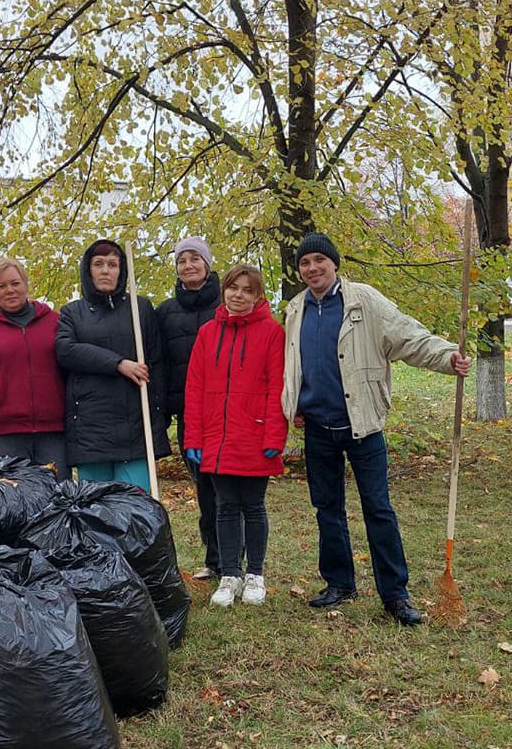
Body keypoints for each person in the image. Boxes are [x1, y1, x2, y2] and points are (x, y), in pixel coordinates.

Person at [282, 232, 472, 626]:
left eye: (319, 260)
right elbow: (293, 364)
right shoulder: (295, 309)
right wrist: (294, 404)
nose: (312, 268)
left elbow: (408, 336)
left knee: (378, 509)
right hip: (318, 426)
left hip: (363, 424)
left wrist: (446, 357)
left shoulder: (363, 301)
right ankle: (339, 583)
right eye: (305, 263)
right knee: (327, 509)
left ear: (334, 263)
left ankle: (395, 594)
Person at [184, 264, 287, 608]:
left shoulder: (272, 333)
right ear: (224, 290)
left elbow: (277, 387)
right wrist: (193, 438)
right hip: (217, 436)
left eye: (247, 290)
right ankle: (230, 574)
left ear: (258, 296)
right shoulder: (207, 334)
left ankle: (255, 573)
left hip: (255, 435)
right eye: (233, 288)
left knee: (253, 506)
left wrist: (274, 435)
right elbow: (195, 388)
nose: (238, 295)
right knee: (225, 507)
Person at [55, 238, 171, 492]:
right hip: (90, 430)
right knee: (97, 514)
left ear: (122, 271)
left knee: (136, 509)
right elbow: (66, 351)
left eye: (112, 264)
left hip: (135, 427)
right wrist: (118, 364)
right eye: (98, 264)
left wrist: (160, 414)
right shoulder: (72, 312)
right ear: (88, 271)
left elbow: (157, 362)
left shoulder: (139, 308)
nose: (106, 270)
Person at [0, 257, 68, 476]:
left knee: (57, 498)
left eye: (15, 283)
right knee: (14, 500)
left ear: (26, 284)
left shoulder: (54, 322)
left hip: (53, 432)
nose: (10, 290)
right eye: (1, 286)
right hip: (5, 432)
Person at [156, 236, 222, 581]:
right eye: (182, 261)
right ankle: (214, 560)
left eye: (195, 259)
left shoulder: (228, 304)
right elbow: (162, 366)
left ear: (207, 264)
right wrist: (163, 412)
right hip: (189, 416)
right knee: (205, 489)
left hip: (226, 415)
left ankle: (237, 560)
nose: (188, 266)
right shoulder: (165, 312)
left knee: (230, 489)